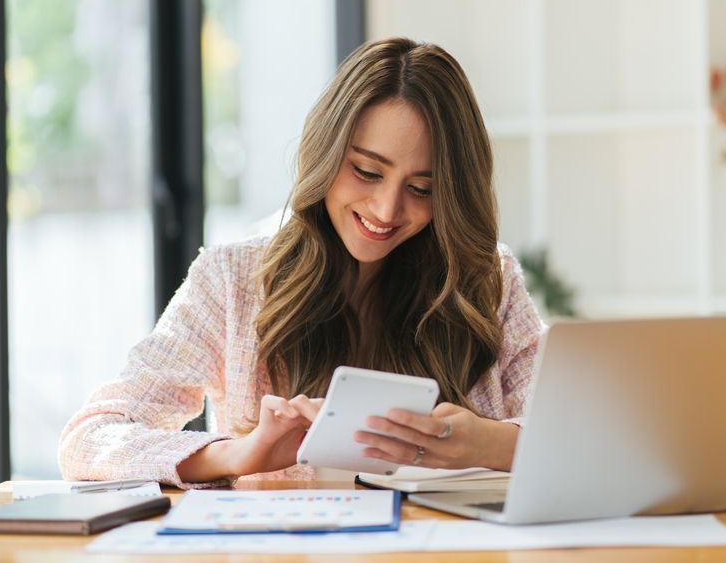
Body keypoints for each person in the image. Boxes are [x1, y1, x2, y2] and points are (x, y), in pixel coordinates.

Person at [58, 37, 544, 488]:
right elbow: (92, 438)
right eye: (367, 171)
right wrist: (238, 454)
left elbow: (579, 437)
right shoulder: (234, 281)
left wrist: (490, 443)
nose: (387, 210)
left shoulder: (486, 282)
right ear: (325, 154)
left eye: (423, 189)